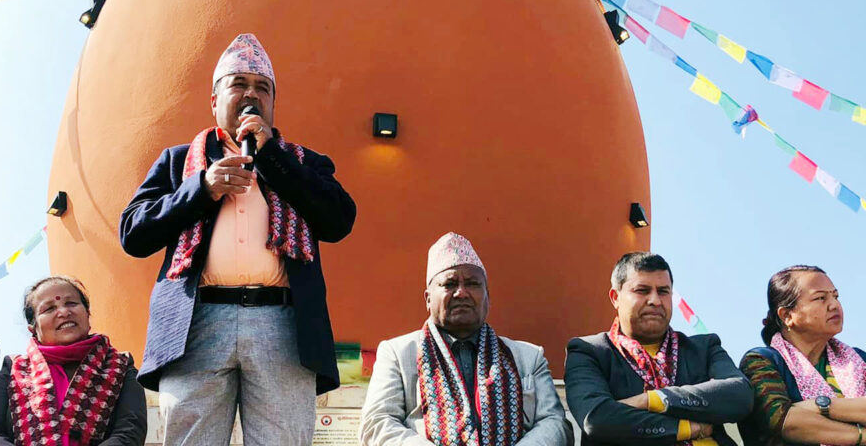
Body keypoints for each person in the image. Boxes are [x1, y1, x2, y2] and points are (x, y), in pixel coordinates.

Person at [120, 33, 357, 446]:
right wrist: (201, 188)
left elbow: (339, 221)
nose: (251, 94)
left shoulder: (302, 163)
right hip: (195, 323)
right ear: (215, 101)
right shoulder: (179, 162)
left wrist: (274, 159)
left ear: (272, 104)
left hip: (282, 324)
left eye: (262, 88)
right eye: (239, 84)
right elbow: (133, 233)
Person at [359, 232, 573, 446]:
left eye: (472, 283)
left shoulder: (528, 358)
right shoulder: (397, 354)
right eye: (449, 284)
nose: (461, 293)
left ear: (488, 297)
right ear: (428, 299)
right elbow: (377, 424)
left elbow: (554, 422)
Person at [565, 252, 752, 446]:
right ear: (615, 298)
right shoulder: (589, 351)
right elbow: (597, 419)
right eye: (642, 290)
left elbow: (740, 395)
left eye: (663, 291)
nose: (655, 300)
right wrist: (686, 428)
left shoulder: (704, 348)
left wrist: (653, 399)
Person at [0, 276, 146, 446]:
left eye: (71, 303)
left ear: (87, 314)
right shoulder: (13, 369)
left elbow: (130, 430)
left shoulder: (121, 365)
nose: (64, 312)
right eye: (49, 309)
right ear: (33, 328)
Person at [739, 265, 866, 446]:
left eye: (836, 296)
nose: (835, 305)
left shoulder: (858, 360)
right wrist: (861, 435)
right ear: (787, 315)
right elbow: (784, 422)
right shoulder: (761, 362)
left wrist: (820, 405)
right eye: (820, 298)